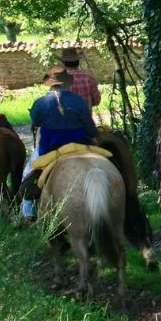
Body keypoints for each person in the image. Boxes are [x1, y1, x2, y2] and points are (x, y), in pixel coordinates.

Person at [20, 68, 99, 222]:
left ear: (50, 84)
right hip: (79, 145)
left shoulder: (40, 103)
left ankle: (28, 212)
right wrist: (93, 136)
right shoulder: (78, 100)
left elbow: (35, 123)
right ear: (67, 83)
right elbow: (90, 127)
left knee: (28, 171)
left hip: (50, 148)